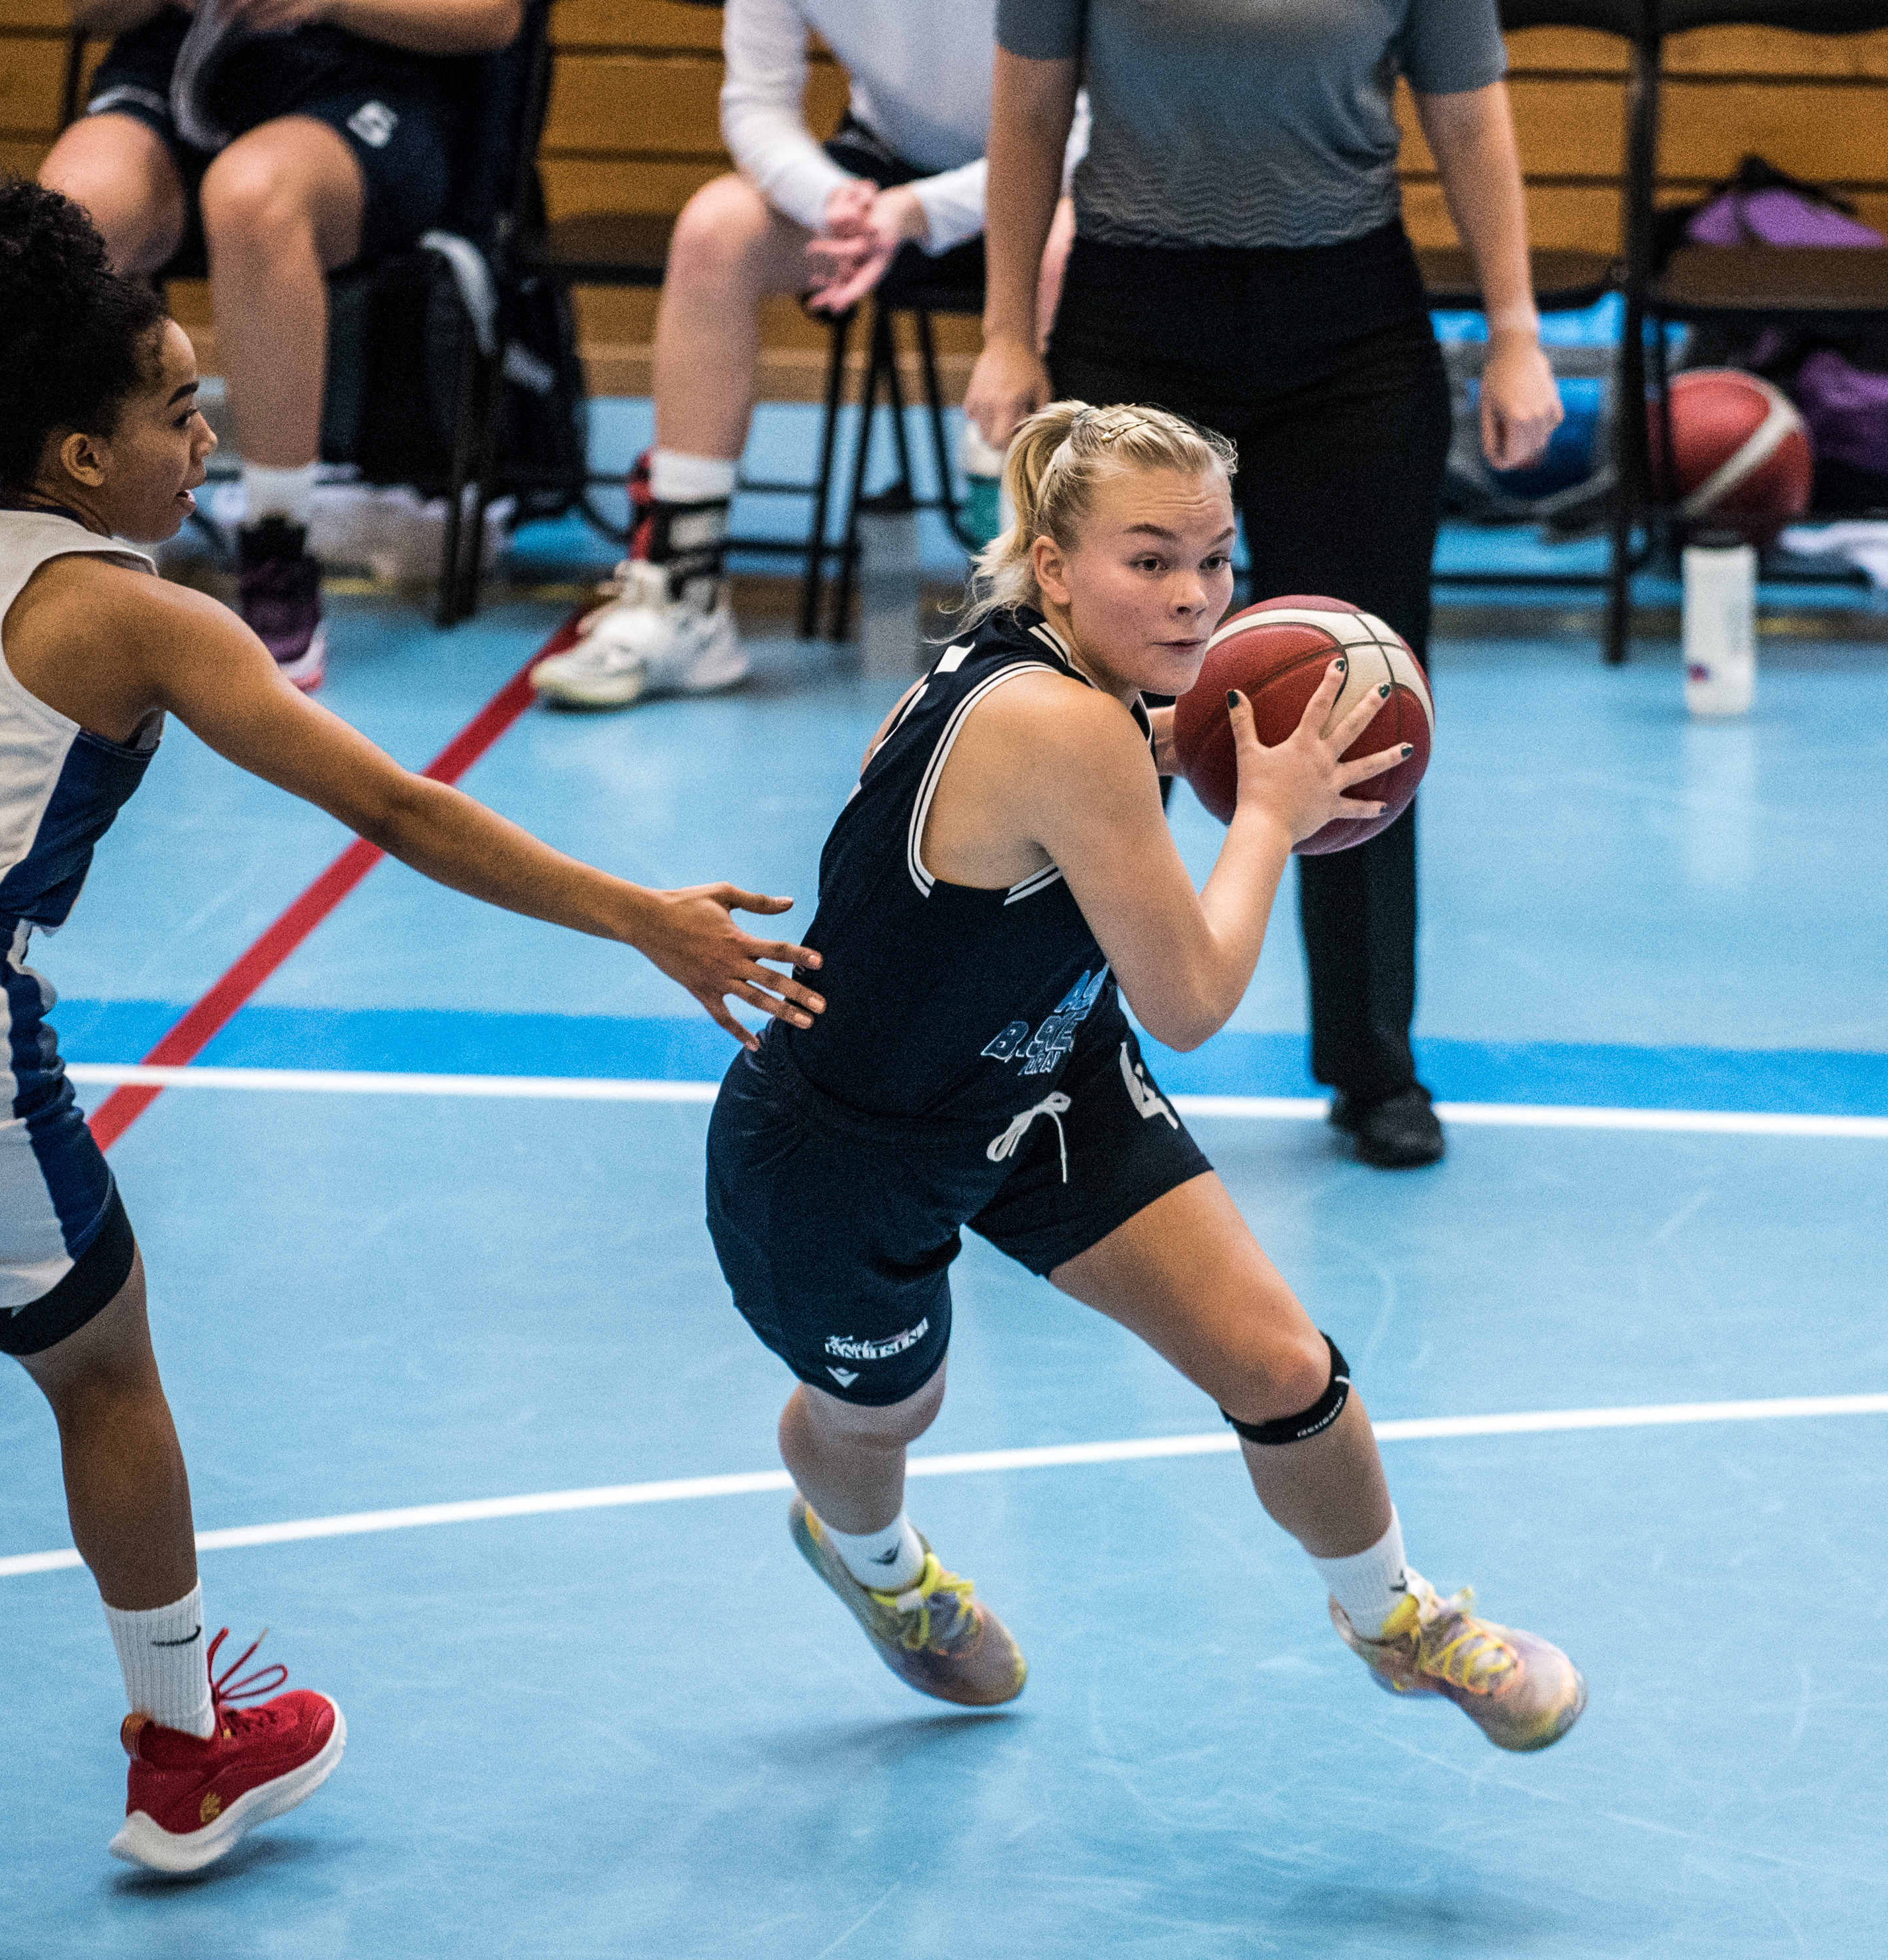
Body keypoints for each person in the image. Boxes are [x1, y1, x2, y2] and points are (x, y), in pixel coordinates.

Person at [0, 171, 826, 1900]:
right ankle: (186, 1750)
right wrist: (644, 916)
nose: (207, 435)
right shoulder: (133, 615)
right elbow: (398, 812)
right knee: (99, 1371)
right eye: (180, 407)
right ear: (86, 460)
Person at [705, 402, 1584, 1751]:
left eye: (1213, 561)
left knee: (1280, 1362)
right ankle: (872, 1562)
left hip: (1041, 1076)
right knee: (880, 1410)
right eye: (1147, 560)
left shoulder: (1092, 693)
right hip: (839, 1147)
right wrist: (1272, 815)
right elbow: (1188, 999)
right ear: (1052, 564)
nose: (1191, 599)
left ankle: (1393, 1617)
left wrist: (1189, 748)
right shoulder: (1057, 724)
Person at [966, 0, 1566, 1169]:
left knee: (1360, 699)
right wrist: (1004, 331)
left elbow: (1466, 114)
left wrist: (1513, 328)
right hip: (1133, 309)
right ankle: (1036, 1059)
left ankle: (1370, 1063)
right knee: (1082, 712)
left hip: (1349, 325)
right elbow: (1028, 105)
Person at [529, 0, 1086, 711]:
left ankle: (1027, 623)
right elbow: (754, 106)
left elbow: (1082, 125)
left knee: (1061, 253)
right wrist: (832, 202)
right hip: (880, 175)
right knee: (714, 233)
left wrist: (914, 213)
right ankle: (684, 594)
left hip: (1061, 165)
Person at [40, 0, 523, 693]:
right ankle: (77, 529)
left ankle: (277, 544)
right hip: (174, 76)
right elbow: (88, 9)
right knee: (69, 213)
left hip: (367, 90)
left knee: (252, 196)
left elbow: (495, 18)